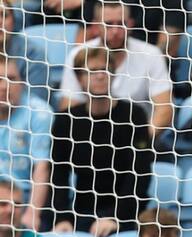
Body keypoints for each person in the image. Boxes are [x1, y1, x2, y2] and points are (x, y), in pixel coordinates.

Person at [50, 46, 153, 237]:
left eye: (105, 70)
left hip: (127, 212)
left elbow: (140, 172)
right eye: (92, 71)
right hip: (81, 211)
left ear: (113, 75)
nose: (99, 76)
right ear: (79, 78)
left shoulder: (134, 115)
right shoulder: (66, 120)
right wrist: (62, 218)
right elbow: (58, 175)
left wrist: (115, 217)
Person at [59, 1, 173, 140]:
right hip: (88, 139)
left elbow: (165, 110)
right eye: (108, 24)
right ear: (95, 26)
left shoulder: (151, 54)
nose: (115, 31)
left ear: (130, 24)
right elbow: (69, 109)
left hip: (138, 137)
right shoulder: (78, 55)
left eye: (121, 24)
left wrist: (139, 140)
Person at [0, 58, 52, 231]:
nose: (5, 86)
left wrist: (32, 212)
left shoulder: (39, 113)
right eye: (0, 79)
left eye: (12, 78)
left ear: (22, 83)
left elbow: (42, 167)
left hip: (23, 203)